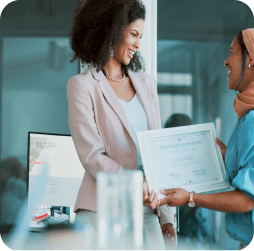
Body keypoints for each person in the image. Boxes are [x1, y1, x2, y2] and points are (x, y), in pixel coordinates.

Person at [67, 0, 174, 249]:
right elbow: (92, 156)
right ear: (111, 32)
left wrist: (167, 215)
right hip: (101, 212)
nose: (138, 43)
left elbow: (158, 154)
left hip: (147, 212)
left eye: (141, 36)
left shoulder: (146, 84)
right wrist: (136, 184)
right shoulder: (82, 86)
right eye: (133, 34)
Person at [145, 28, 254, 250]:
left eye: (232, 52)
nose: (225, 61)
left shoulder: (252, 120)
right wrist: (225, 158)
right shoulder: (245, 118)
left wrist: (191, 197)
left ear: (250, 60)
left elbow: (247, 199)